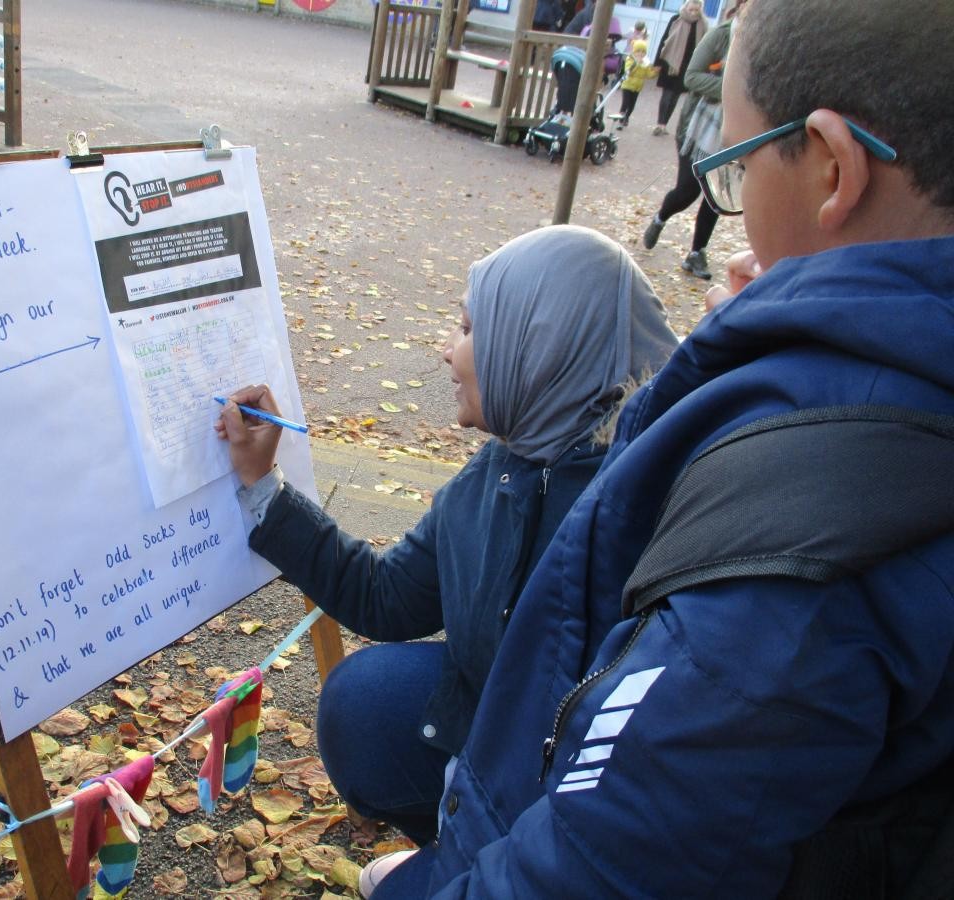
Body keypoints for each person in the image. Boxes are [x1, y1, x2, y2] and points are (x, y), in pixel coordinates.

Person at [368, 0, 954, 895]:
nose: (733, 230)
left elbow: (607, 858)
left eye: (737, 167)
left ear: (832, 168)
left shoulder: (804, 528)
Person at [214, 227, 679, 875]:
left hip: (591, 820)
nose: (444, 352)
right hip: (501, 752)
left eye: (466, 329)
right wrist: (264, 486)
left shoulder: (647, 507)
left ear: (537, 345)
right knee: (363, 703)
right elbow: (387, 596)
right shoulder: (505, 468)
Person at [641, 1, 741, 280]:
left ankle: (696, 253)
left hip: (732, 132)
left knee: (715, 196)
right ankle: (661, 217)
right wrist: (732, 88)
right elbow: (692, 77)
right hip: (697, 128)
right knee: (688, 191)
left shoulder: (765, 47)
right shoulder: (720, 36)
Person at [650, 0, 708, 135]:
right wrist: (658, 62)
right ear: (686, 7)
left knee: (675, 96)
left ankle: (664, 124)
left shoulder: (703, 24)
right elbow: (664, 39)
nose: (693, 12)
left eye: (696, 10)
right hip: (671, 62)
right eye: (691, 9)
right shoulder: (676, 19)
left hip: (688, 65)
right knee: (667, 93)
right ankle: (660, 123)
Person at [616, 39, 658, 129]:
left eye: (643, 51)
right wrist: (637, 63)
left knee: (632, 105)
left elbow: (648, 75)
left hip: (637, 87)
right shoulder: (630, 59)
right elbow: (629, 71)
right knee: (625, 103)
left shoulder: (646, 62)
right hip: (627, 85)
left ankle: (626, 117)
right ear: (634, 51)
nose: (641, 53)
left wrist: (655, 72)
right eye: (638, 51)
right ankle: (620, 120)